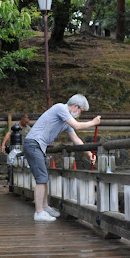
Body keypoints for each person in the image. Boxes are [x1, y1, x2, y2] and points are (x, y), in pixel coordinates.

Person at [24, 94, 101, 222]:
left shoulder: (66, 120)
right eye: (81, 111)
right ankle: (39, 212)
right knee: (41, 178)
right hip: (34, 144)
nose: (79, 115)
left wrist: (88, 153)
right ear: (76, 106)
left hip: (38, 146)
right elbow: (77, 125)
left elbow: (75, 138)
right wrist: (93, 122)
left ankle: (45, 207)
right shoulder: (60, 108)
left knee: (44, 177)